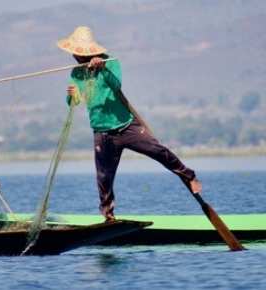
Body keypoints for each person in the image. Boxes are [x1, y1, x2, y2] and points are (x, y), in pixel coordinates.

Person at [58, 26, 202, 222]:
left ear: (88, 51)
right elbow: (75, 102)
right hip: (102, 132)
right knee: (103, 178)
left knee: (158, 150)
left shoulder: (110, 62)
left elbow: (116, 86)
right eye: (74, 53)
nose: (74, 56)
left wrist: (103, 69)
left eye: (77, 53)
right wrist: (71, 96)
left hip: (127, 126)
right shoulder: (77, 73)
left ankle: (189, 176)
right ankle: (109, 217)